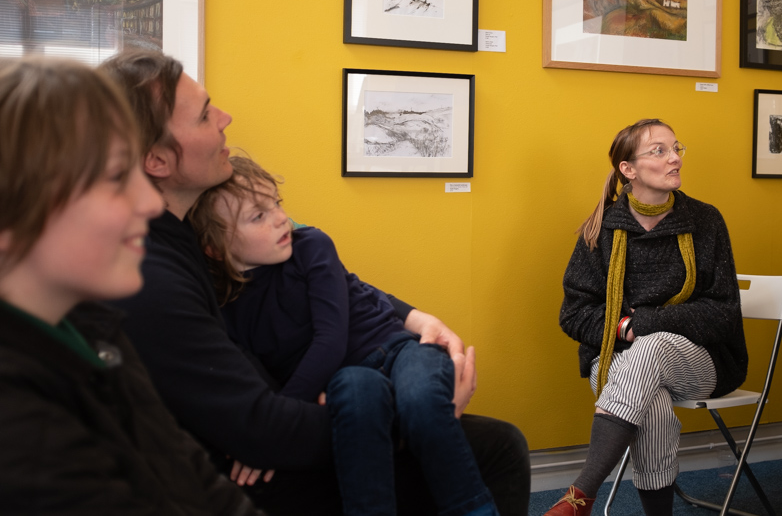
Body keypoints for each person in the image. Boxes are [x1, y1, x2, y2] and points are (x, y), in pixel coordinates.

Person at [94, 50, 530, 516]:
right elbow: (258, 428)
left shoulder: (184, 235)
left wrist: (415, 317)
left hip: (292, 409)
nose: (225, 118)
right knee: (498, 448)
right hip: (237, 466)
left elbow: (332, 278)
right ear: (157, 159)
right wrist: (419, 417)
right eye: (204, 115)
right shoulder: (150, 275)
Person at [0, 57, 263, 514]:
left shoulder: (94, 329)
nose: (146, 201)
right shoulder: (18, 422)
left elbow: (190, 475)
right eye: (115, 178)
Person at [187, 155, 499, 516]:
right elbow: (255, 372)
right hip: (346, 377)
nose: (279, 218)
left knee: (421, 401)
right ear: (214, 247)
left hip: (398, 351)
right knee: (357, 393)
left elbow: (330, 338)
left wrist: (279, 424)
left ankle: (474, 509)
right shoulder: (222, 305)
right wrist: (266, 437)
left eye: (276, 203)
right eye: (258, 215)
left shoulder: (310, 245)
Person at [550, 119, 747, 516]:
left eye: (676, 148)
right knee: (652, 404)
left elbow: (724, 313)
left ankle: (580, 494)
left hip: (701, 360)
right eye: (659, 151)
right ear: (629, 169)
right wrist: (627, 328)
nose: (674, 158)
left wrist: (647, 324)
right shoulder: (601, 229)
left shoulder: (705, 221)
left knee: (652, 345)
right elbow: (573, 313)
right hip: (618, 363)